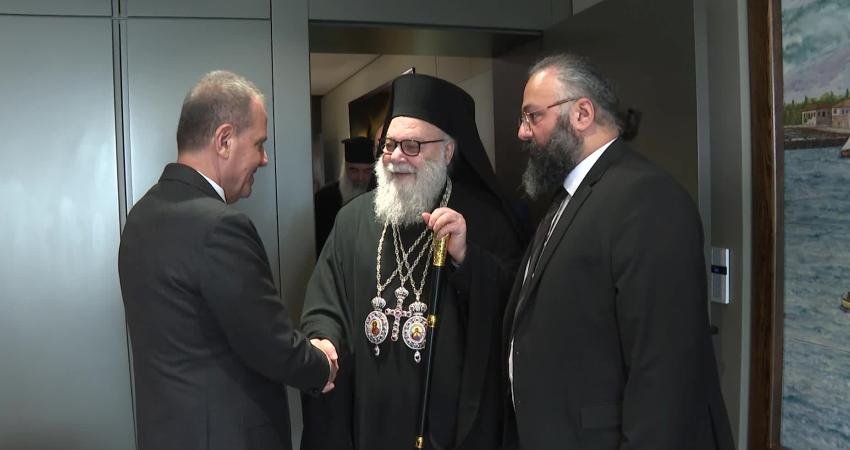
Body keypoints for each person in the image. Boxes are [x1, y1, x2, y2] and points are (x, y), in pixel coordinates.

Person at [503, 53, 735, 450]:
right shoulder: (570, 195)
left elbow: (664, 374)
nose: (522, 132)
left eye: (532, 116)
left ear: (581, 113)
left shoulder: (647, 199)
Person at [300, 73, 523, 450]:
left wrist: (468, 260)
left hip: (445, 422)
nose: (396, 157)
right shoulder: (354, 220)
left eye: (412, 145)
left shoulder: (486, 222)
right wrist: (324, 338)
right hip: (367, 414)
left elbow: (513, 309)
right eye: (389, 145)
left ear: (449, 152)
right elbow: (327, 299)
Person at [118, 70, 338, 450]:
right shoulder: (220, 226)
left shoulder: (139, 217)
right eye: (259, 144)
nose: (264, 159)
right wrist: (322, 364)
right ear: (223, 140)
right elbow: (269, 342)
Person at [314, 136, 376, 254]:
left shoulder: (379, 198)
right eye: (354, 170)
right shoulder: (323, 198)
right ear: (345, 169)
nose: (360, 178)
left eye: (367, 171)